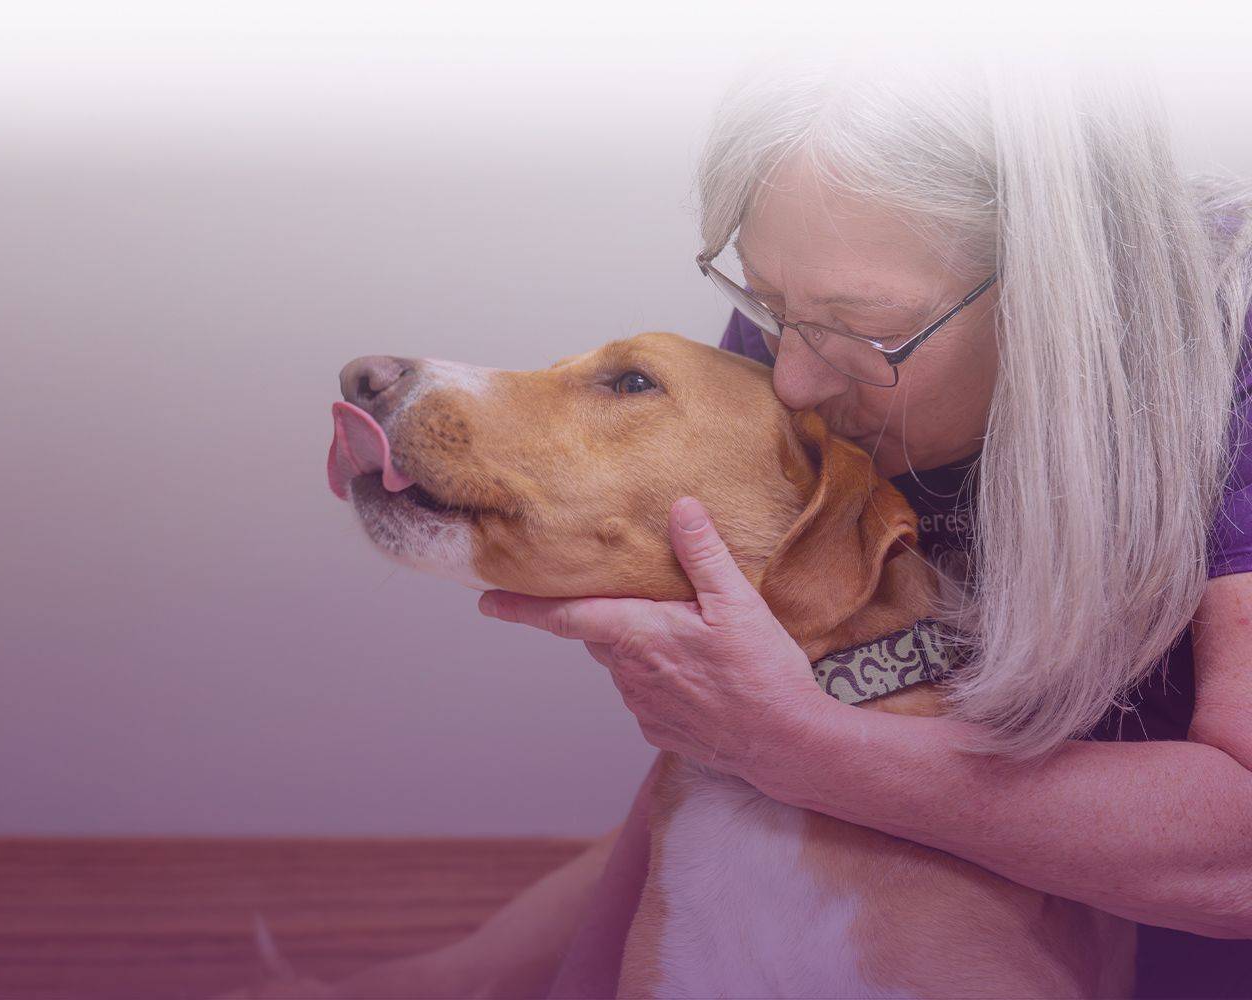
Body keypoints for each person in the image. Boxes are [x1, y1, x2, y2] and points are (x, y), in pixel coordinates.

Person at [474, 59, 1252, 997]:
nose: (792, 380)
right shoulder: (809, 348)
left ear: (1059, 281)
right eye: (765, 300)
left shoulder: (1229, 350)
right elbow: (718, 752)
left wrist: (809, 750)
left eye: (861, 323)